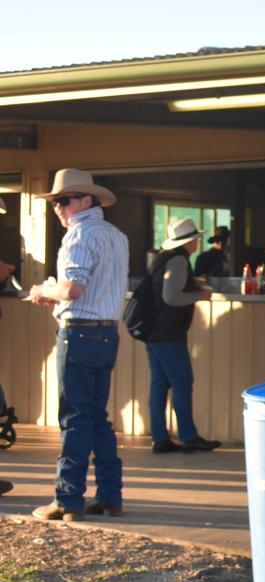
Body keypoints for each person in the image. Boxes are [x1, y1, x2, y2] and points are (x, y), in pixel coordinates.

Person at [25, 169, 129, 522]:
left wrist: (43, 292)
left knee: (74, 418)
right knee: (96, 417)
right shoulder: (116, 236)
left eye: (64, 201)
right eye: (56, 202)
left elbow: (72, 289)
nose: (59, 208)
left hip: (79, 332)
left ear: (87, 200)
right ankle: (110, 496)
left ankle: (67, 498)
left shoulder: (79, 235)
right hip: (107, 334)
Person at [144, 218, 221, 455]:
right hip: (169, 332)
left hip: (153, 329)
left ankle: (160, 438)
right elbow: (171, 297)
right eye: (196, 238)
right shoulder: (178, 260)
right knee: (181, 382)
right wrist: (198, 294)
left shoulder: (162, 258)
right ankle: (188, 436)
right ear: (191, 241)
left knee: (159, 384)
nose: (197, 242)